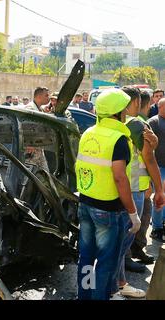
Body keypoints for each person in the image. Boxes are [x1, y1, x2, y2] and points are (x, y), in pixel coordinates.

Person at [76, 88, 140, 300]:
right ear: (118, 112)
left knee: (86, 258)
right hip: (107, 209)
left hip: (85, 204)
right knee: (106, 261)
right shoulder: (119, 139)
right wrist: (133, 213)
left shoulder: (88, 133)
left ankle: (84, 297)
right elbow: (120, 178)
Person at [110, 86, 164, 299]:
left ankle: (119, 282)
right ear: (135, 103)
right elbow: (148, 158)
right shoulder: (136, 125)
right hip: (133, 190)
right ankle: (115, 285)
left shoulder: (111, 124)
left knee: (120, 242)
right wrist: (159, 188)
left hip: (117, 188)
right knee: (123, 241)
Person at [130, 90, 158, 264]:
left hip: (134, 182)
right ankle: (135, 251)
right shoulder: (140, 125)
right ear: (145, 105)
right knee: (140, 220)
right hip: (138, 183)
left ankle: (135, 251)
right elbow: (147, 158)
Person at [148, 98, 165, 242]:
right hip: (159, 166)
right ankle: (156, 228)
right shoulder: (153, 122)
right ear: (160, 107)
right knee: (159, 197)